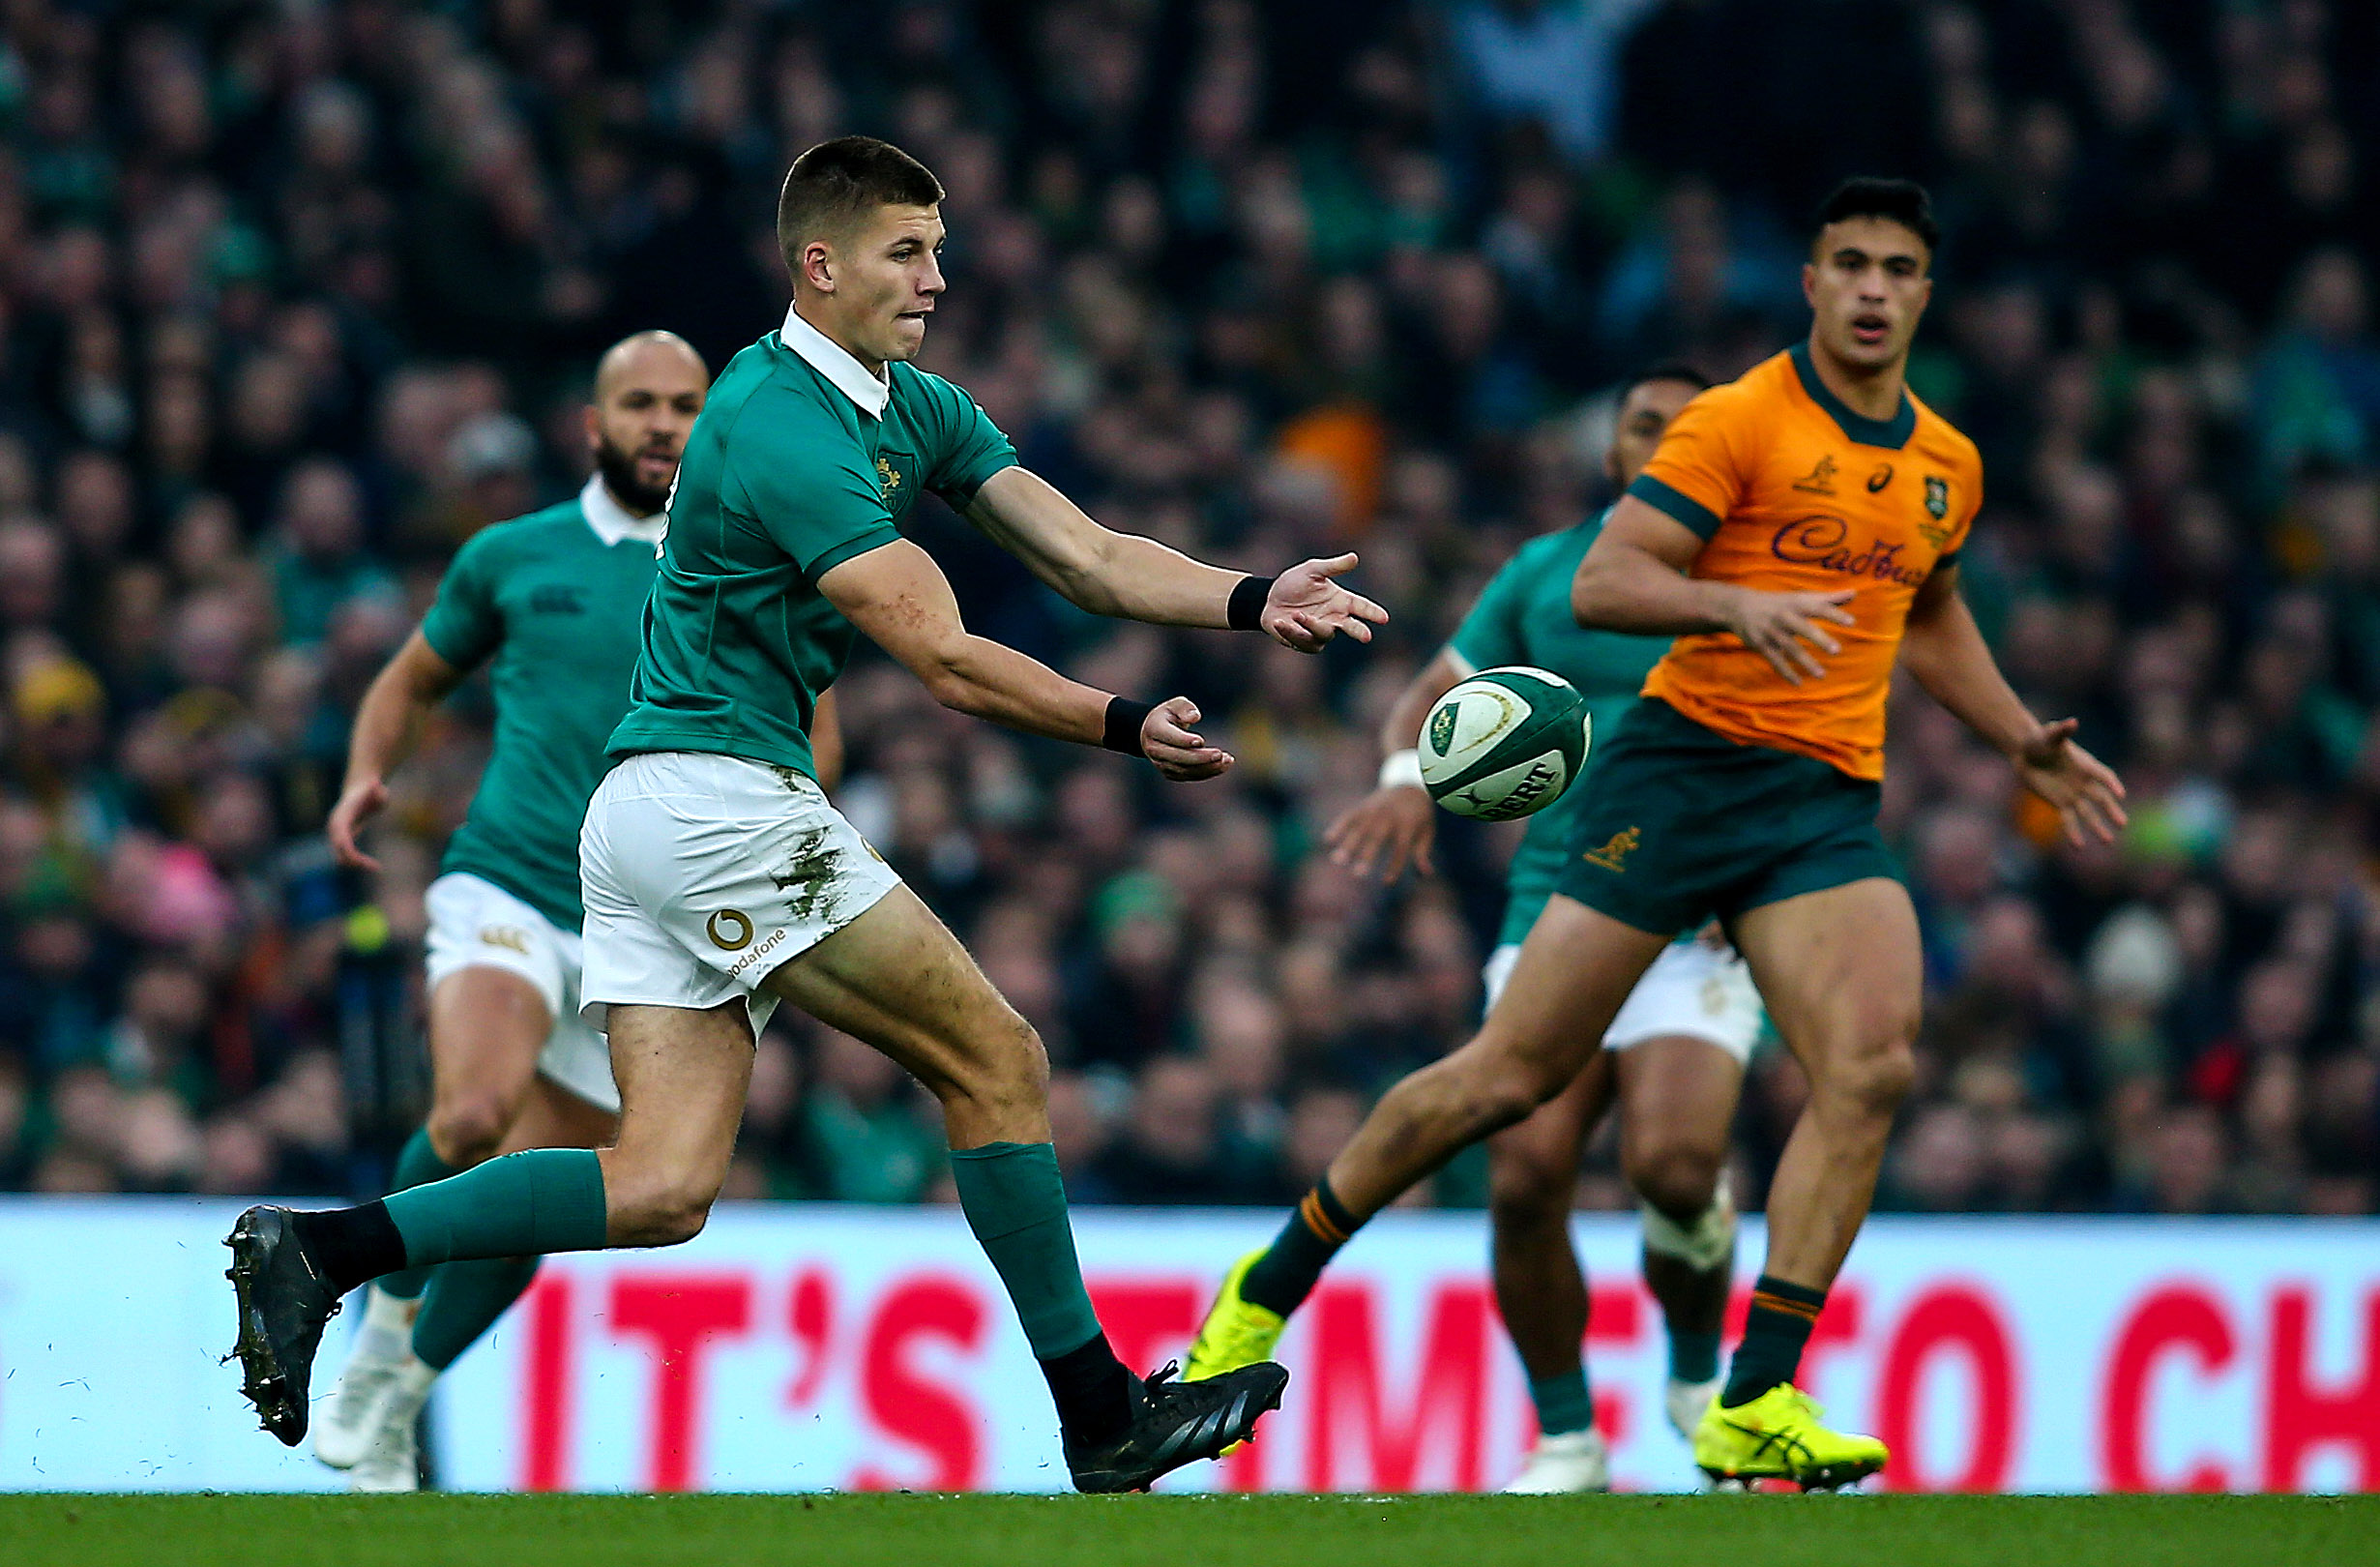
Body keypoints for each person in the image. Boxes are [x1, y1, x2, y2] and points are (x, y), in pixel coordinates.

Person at [225, 135, 1387, 1494]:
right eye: (909, 252)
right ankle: (1099, 1419)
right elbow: (945, 659)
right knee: (996, 1059)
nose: (938, 277)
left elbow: (1085, 555)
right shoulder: (773, 420)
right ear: (821, 265)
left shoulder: (913, 406)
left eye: (940, 249)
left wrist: (1254, 597)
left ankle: (321, 1250)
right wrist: (1122, 725)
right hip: (719, 800)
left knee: (660, 1184)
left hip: (656, 809)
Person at [1187, 178, 2127, 1491]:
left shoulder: (1946, 463)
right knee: (1508, 1084)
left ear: (1923, 292)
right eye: (1845, 262)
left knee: (1870, 1068)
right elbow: (1606, 578)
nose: (1868, 288)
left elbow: (1932, 612)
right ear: (1808, 281)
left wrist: (2019, 735)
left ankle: (1753, 1397)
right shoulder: (1738, 420)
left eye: (1895, 268)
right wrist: (1738, 607)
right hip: (1679, 779)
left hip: (1819, 803)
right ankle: (1268, 1280)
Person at [302, 331, 787, 1492]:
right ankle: (378, 1335)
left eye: (685, 405)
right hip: (510, 875)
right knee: (471, 1112)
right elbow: (416, 675)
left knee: (534, 1207)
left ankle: (403, 1385)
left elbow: (804, 727)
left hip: (647, 922)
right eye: (640, 404)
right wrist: (371, 766)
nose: (663, 423)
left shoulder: (742, 564)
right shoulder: (513, 556)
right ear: (593, 422)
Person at [1323, 363, 1755, 1493]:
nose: (1658, 442)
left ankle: (1700, 1375)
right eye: (1640, 425)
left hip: (1697, 917)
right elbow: (1425, 692)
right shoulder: (1543, 574)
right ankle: (1568, 1438)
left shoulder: (1750, 585)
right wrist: (1404, 777)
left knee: (1670, 1166)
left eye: (1683, 431)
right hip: (1556, 909)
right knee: (1523, 1177)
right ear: (1610, 449)